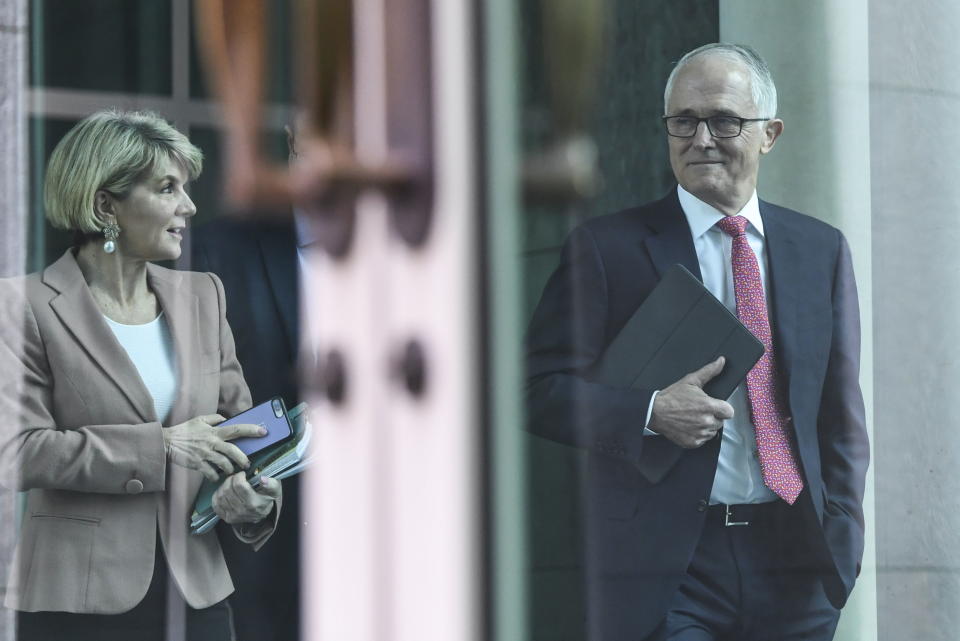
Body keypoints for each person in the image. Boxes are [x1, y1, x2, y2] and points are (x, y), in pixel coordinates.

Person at [526, 43, 869, 641]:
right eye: (683, 121)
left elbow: (840, 414)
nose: (700, 138)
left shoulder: (821, 249)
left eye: (724, 120)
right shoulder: (607, 249)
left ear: (769, 134)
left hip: (797, 562)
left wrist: (843, 533)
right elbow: (534, 390)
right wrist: (652, 412)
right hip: (669, 567)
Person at [0, 109, 283, 641]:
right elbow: (15, 451)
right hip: (75, 604)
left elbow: (245, 435)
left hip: (197, 595)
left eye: (186, 188)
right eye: (167, 188)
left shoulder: (205, 295)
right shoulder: (22, 306)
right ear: (107, 204)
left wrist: (254, 497)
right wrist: (163, 447)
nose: (189, 207)